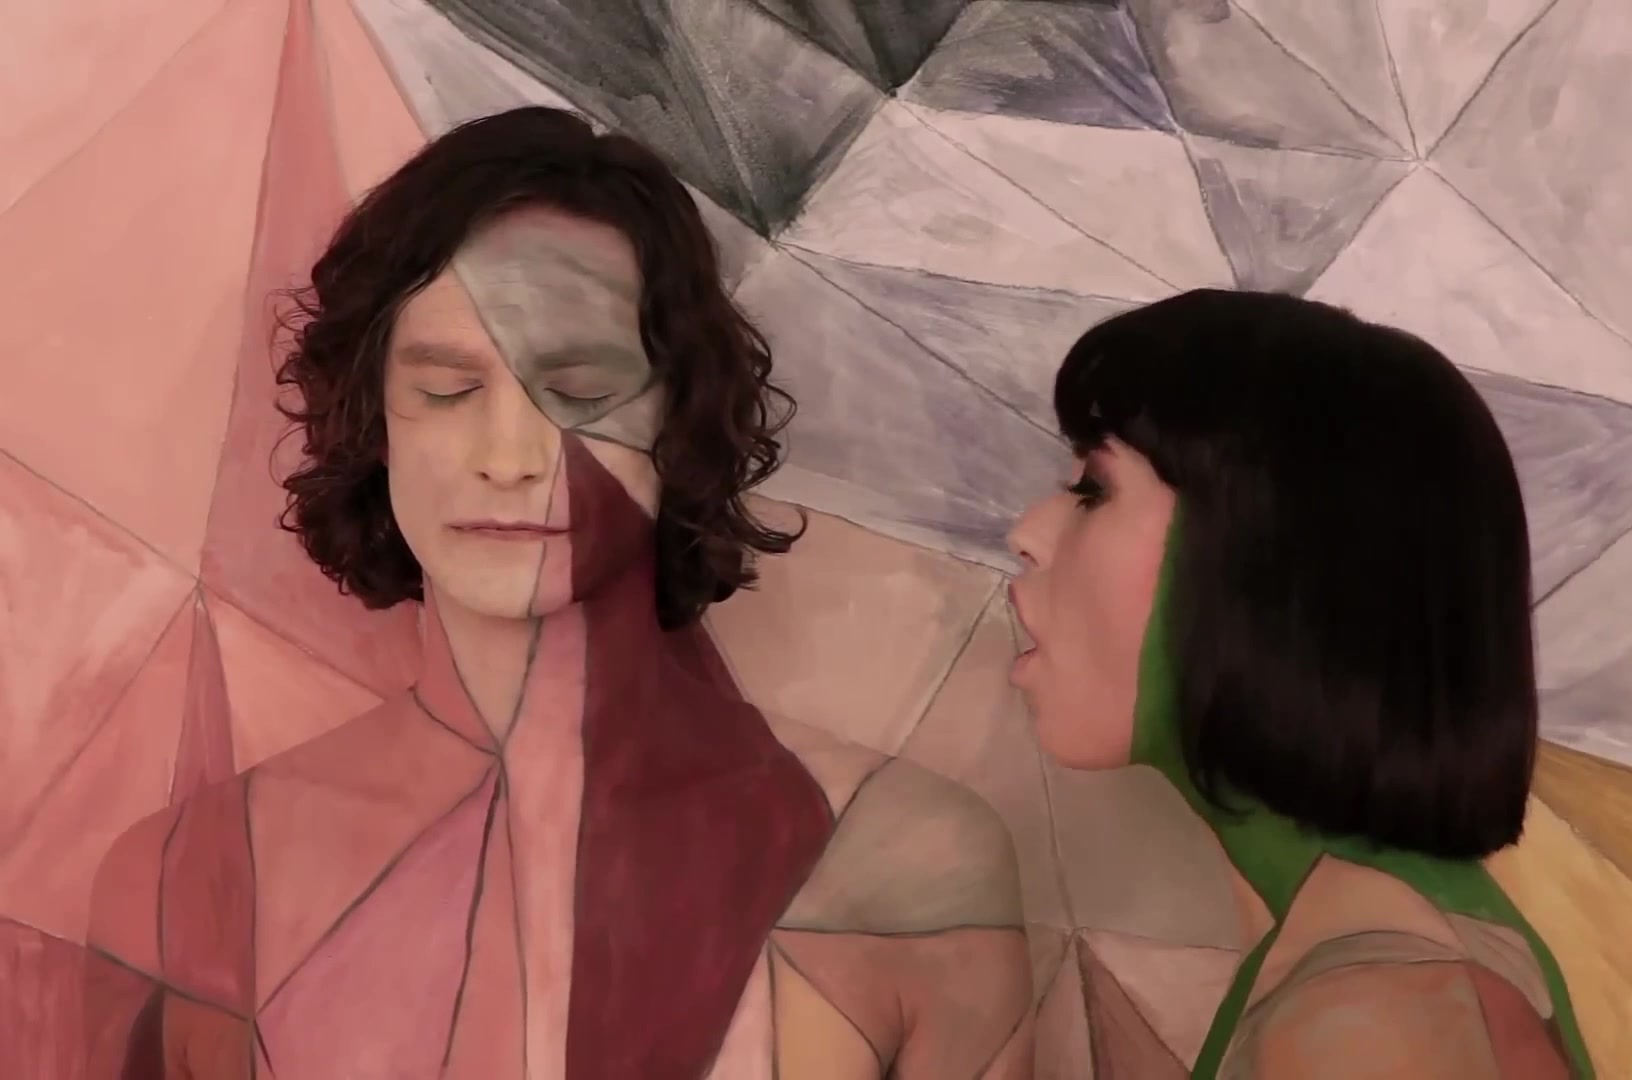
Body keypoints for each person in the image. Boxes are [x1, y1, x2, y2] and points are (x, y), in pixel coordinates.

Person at [68, 106, 1030, 1079]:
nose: (512, 456)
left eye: (582, 394)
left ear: (680, 418)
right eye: (448, 390)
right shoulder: (186, 890)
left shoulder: (910, 867)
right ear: (372, 420)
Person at [1006, 290, 1591, 1078]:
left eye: (1093, 490)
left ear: (1272, 571)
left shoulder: (1372, 1017)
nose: (1027, 533)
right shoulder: (1367, 950)